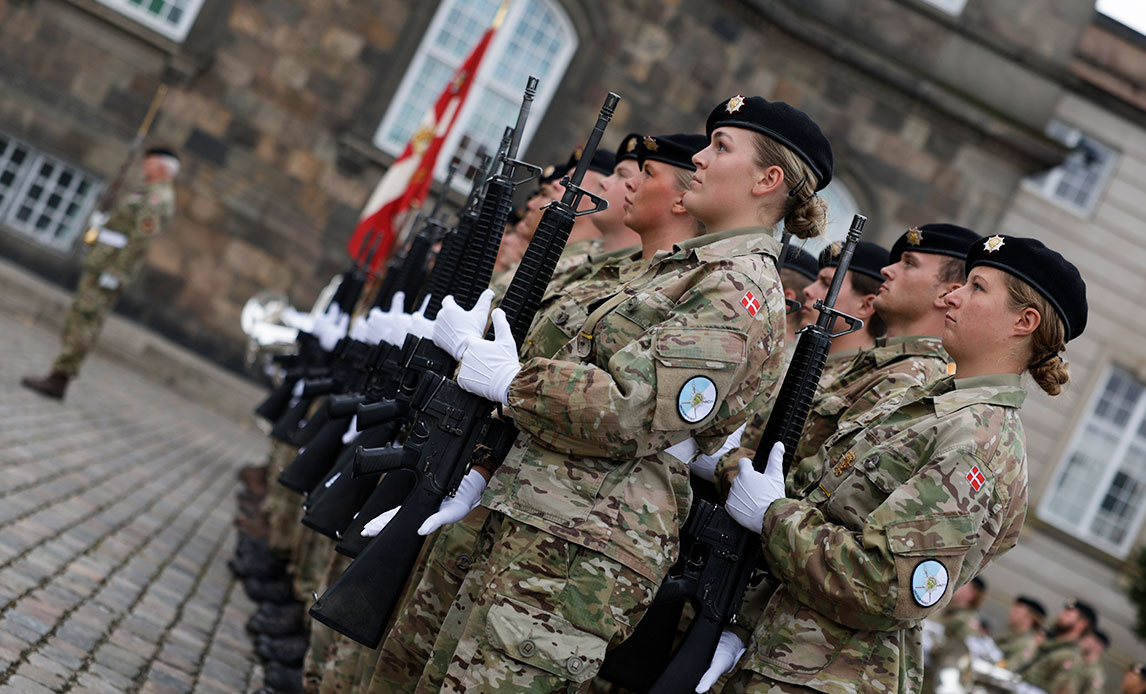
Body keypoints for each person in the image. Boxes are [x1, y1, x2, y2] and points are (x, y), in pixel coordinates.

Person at [416, 95, 832, 692]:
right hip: (552, 515)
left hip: (584, 540)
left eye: (721, 148)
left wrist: (513, 381)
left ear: (769, 180)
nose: (700, 160)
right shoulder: (694, 270)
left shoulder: (737, 288)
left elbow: (630, 409)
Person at [363, 131, 711, 694]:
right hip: (509, 486)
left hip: (575, 526)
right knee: (416, 658)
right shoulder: (622, 281)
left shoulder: (706, 290)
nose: (623, 186)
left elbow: (628, 406)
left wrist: (503, 376)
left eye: (638, 174)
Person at [703, 233, 1088, 694]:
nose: (953, 295)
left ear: (1024, 321)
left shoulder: (977, 442)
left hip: (832, 677)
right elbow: (814, 498)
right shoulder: (928, 406)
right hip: (785, 655)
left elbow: (888, 585)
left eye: (977, 287)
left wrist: (773, 516)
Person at [22, 147, 179, 399]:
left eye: (148, 164)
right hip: (102, 263)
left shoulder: (157, 198)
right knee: (81, 319)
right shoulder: (149, 193)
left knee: (86, 320)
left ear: (161, 167)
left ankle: (60, 376)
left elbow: (140, 241)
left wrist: (116, 272)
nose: (143, 168)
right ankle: (59, 374)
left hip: (108, 269)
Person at [1018, 600, 1099, 694]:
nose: (1061, 614)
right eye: (1063, 611)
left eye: (1068, 614)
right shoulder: (1048, 644)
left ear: (1082, 624)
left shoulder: (1071, 657)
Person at [997, 596, 1047, 668]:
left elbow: (1009, 669)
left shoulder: (1026, 644)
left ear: (1029, 619)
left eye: (1016, 611)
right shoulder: (1009, 636)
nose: (1011, 612)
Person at [1079, 630, 1108, 694]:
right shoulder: (1078, 661)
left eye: (1090, 638)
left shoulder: (1096, 674)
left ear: (1099, 646)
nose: (1085, 639)